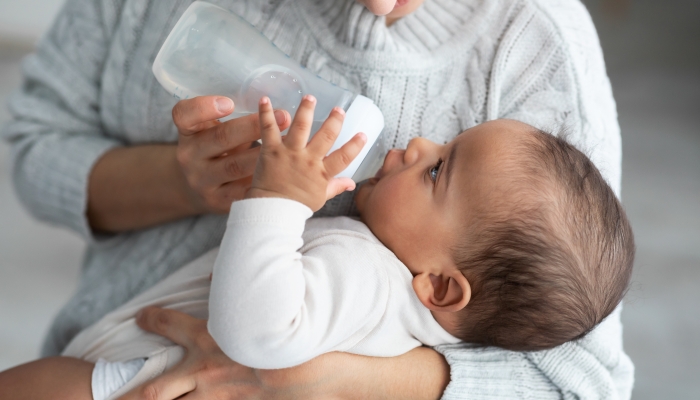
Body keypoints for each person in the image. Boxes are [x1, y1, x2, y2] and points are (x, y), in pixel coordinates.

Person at [2, 0, 634, 398]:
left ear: (441, 288)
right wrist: (181, 180)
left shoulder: (529, 37)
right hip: (125, 348)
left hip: (142, 376)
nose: (417, 143)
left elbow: (584, 382)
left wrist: (356, 384)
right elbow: (37, 147)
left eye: (439, 170)